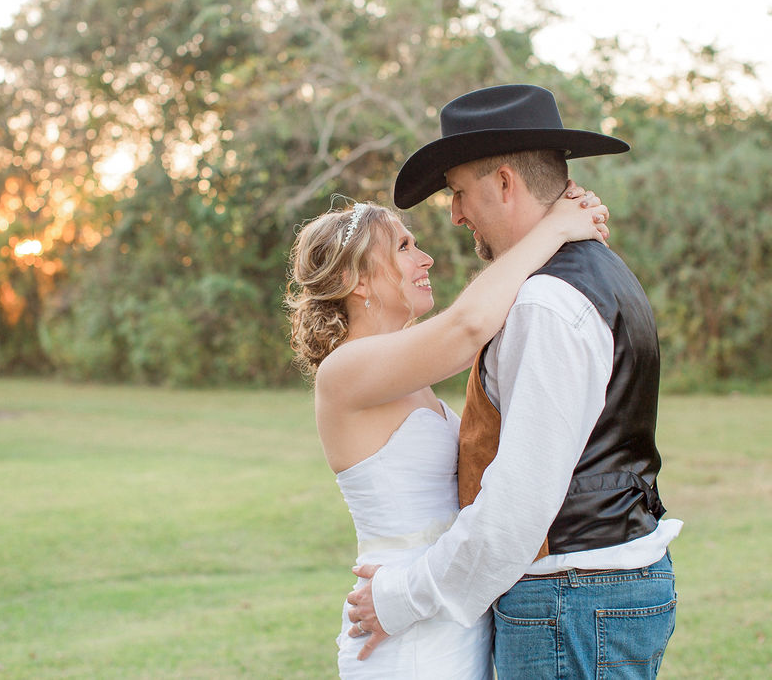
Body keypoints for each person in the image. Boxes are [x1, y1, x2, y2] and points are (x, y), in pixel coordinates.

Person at [344, 84, 683, 678]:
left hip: (570, 599)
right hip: (592, 593)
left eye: (458, 192)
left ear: (504, 183)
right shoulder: (593, 270)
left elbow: (518, 507)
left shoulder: (545, 302)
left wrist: (402, 597)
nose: (453, 214)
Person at [286, 188, 610, 677]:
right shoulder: (344, 372)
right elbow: (469, 326)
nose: (426, 258)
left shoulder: (405, 374)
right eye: (403, 247)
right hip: (404, 626)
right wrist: (557, 226)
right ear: (356, 280)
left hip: (446, 605)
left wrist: (560, 219)